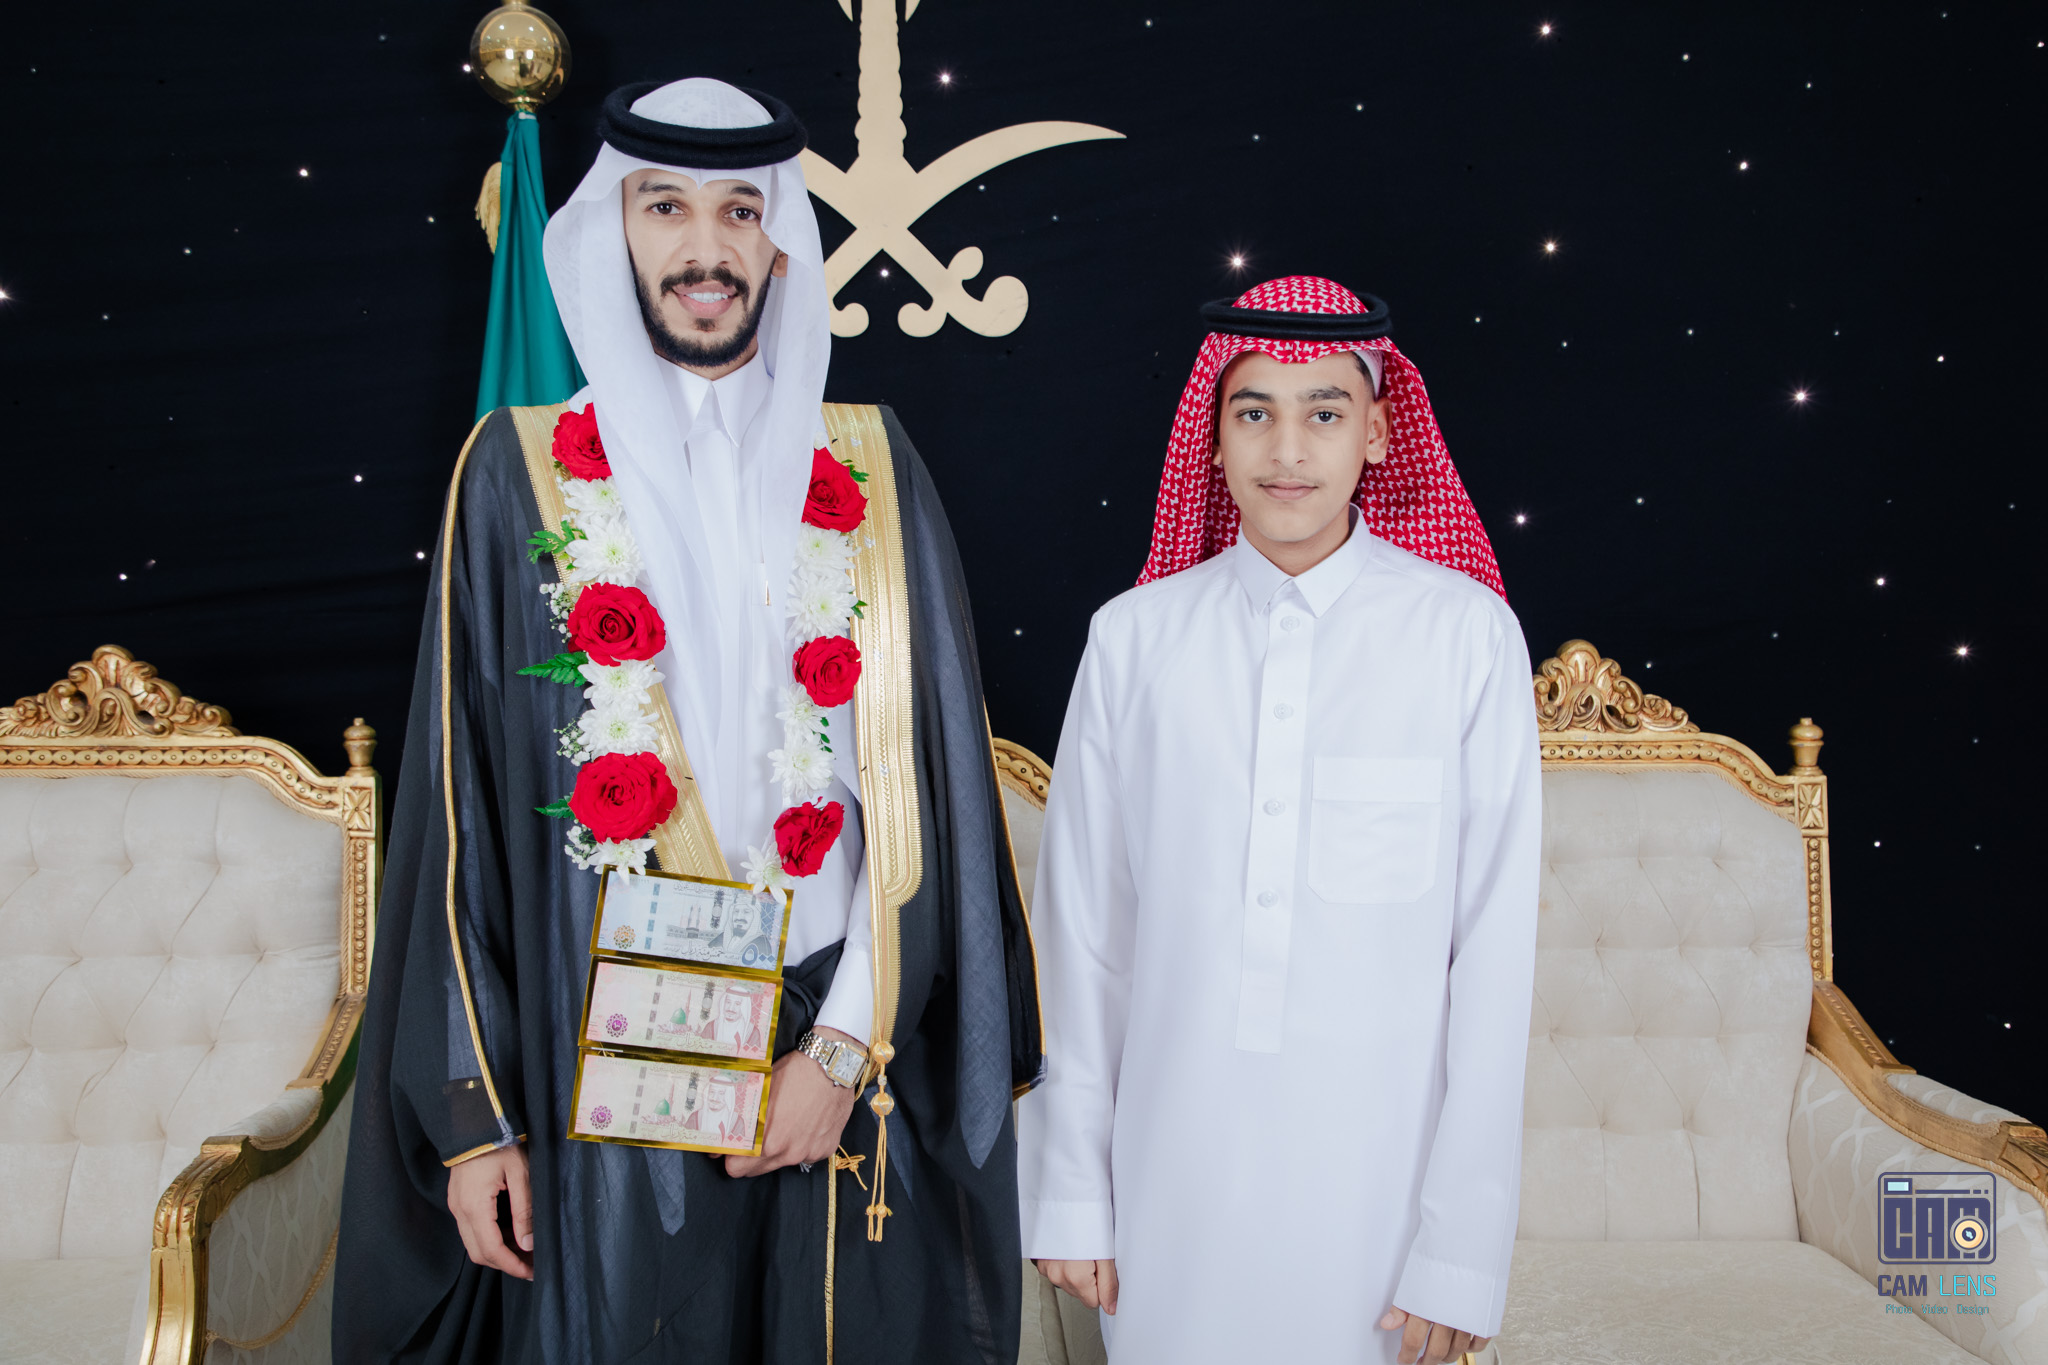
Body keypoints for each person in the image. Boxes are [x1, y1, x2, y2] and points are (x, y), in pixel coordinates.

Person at [336, 78, 1041, 1364]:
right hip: (600, 1048)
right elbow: (456, 815)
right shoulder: (515, 472)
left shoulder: (871, 465)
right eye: (664, 207)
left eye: (738, 212)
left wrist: (841, 1050)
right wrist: (475, 1123)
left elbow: (930, 800)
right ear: (612, 228)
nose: (704, 249)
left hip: (836, 1041)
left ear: (780, 245)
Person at [1018, 277, 1540, 1365]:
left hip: (1381, 1201)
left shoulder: (1465, 639)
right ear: (1211, 438)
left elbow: (1492, 964)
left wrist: (1459, 1247)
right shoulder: (1132, 640)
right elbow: (1083, 942)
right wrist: (1069, 1189)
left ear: (1378, 433)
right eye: (1253, 411)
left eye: (1324, 412)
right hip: (1171, 1185)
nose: (1287, 449)